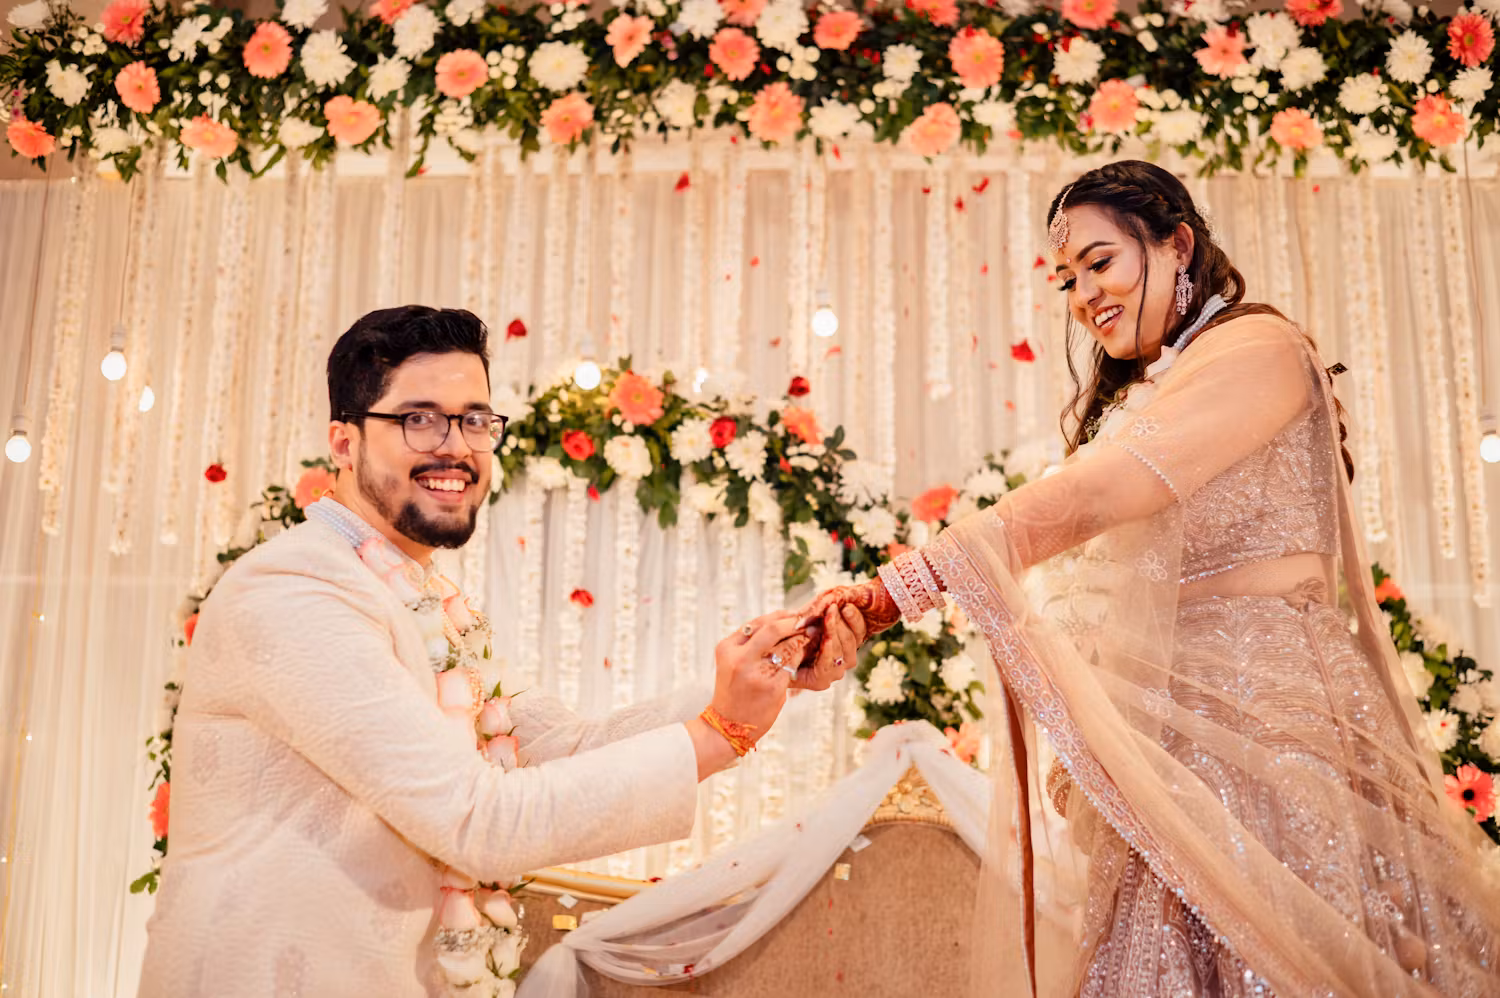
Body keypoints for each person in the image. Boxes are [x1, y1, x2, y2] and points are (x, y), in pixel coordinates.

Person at [801, 161, 1500, 996]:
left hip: (1266, 729)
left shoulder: (1261, 348)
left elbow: (1100, 492)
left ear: (1178, 245)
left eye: (1100, 262)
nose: (1084, 295)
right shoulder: (1159, 386)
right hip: (1163, 744)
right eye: (1068, 278)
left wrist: (902, 589)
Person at [137, 306, 863, 997]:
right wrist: (718, 733)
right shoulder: (295, 589)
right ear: (345, 442)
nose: (456, 447)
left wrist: (763, 679)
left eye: (475, 420)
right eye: (419, 419)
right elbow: (476, 820)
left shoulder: (422, 596)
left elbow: (562, 749)